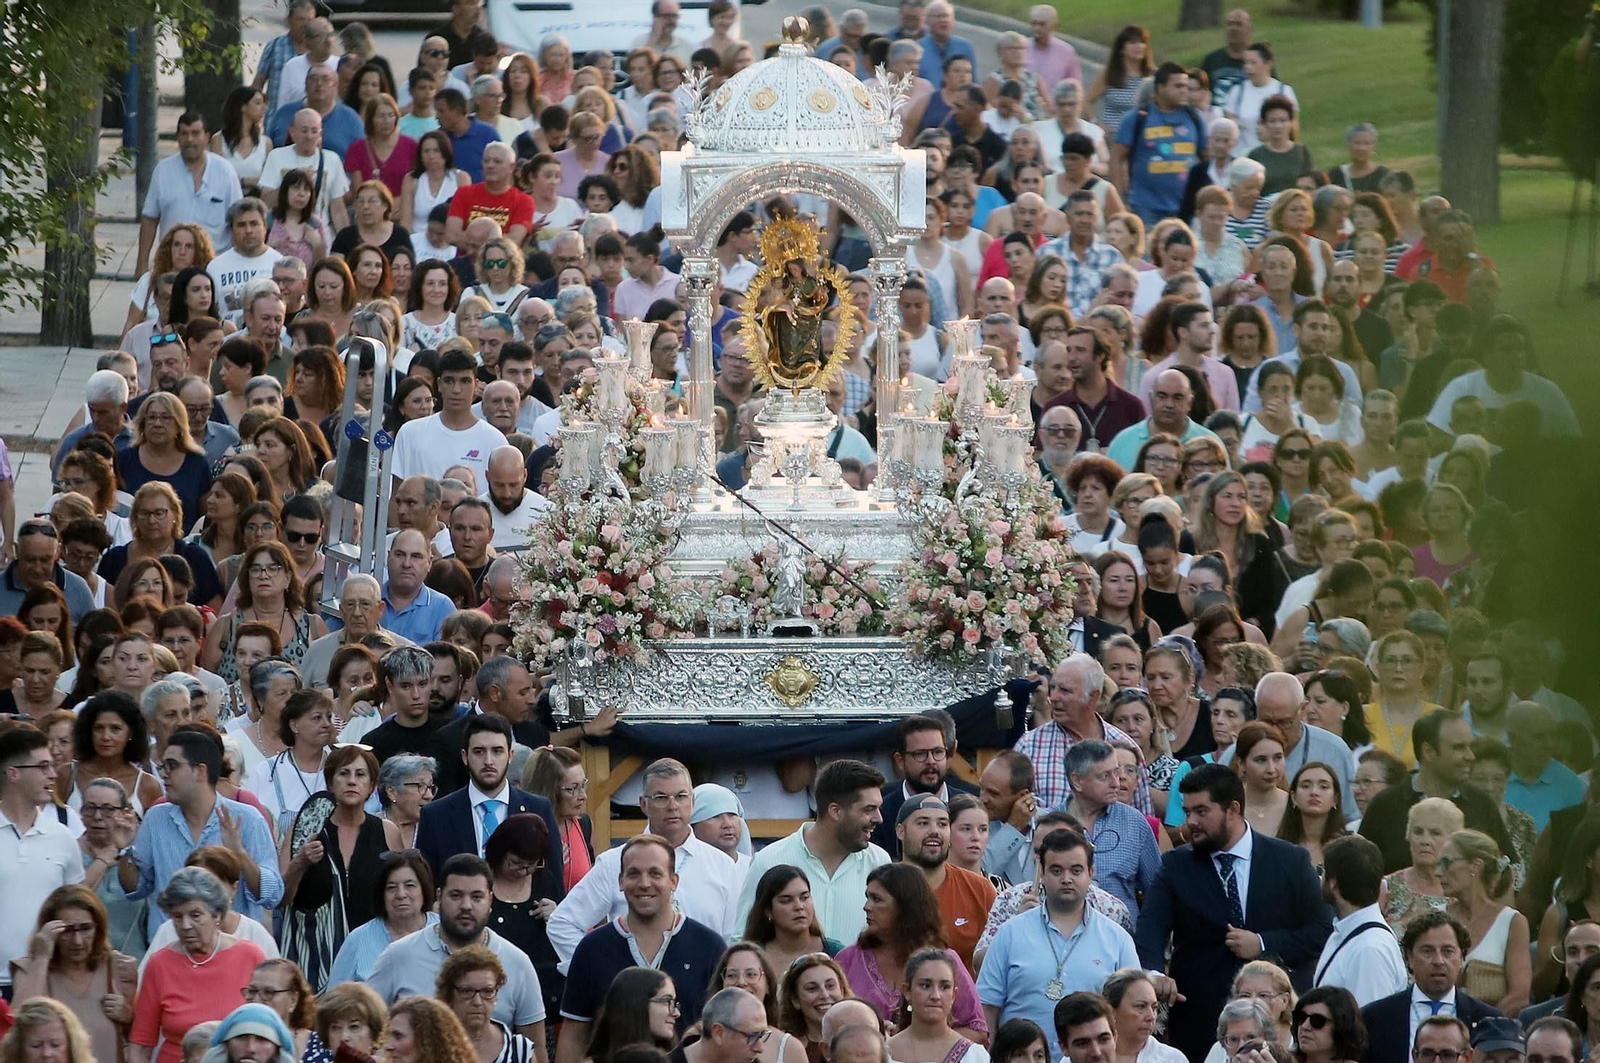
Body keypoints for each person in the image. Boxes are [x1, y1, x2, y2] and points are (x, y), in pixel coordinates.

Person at [1135, 762, 1333, 1060]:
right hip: (1201, 1019)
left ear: (1233, 809)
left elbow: (1321, 930)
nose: (1190, 822)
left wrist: (1263, 943)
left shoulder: (1289, 860)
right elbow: (1150, 927)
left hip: (1278, 1018)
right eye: (1187, 812)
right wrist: (1153, 975)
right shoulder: (1176, 865)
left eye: (1202, 811)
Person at [549, 757, 734, 964]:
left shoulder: (722, 866)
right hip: (632, 990)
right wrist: (605, 971)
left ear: (692, 802)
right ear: (644, 804)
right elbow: (562, 924)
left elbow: (733, 940)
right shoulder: (614, 862)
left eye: (681, 796)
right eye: (661, 797)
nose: (673, 806)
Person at [555, 835, 725, 1061]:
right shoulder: (593, 948)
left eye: (655, 874)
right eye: (634, 874)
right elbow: (574, 1035)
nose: (644, 883)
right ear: (620, 881)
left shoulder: (709, 946)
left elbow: (722, 1031)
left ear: (674, 881)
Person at [977, 826, 1138, 1058]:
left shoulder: (1117, 939)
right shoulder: (1010, 933)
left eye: (1076, 870)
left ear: (1090, 873)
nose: (1066, 879)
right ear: (1041, 872)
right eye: (1056, 870)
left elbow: (1129, 1013)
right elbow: (987, 1008)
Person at [117, 726, 284, 936]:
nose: (164, 775)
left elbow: (272, 895)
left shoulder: (247, 819)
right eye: (162, 766)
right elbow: (136, 889)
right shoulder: (155, 818)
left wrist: (239, 854)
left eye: (172, 766)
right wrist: (125, 851)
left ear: (200, 771)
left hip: (230, 951)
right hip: (170, 950)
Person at [367, 853, 547, 1043]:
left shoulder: (517, 964)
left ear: (490, 901)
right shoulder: (398, 956)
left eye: (477, 897)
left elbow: (534, 1050)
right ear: (439, 897)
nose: (466, 906)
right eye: (456, 895)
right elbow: (367, 1032)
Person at [735, 760, 890, 945]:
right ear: (835, 811)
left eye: (878, 808)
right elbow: (743, 941)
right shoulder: (768, 861)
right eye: (869, 809)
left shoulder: (880, 862)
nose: (879, 818)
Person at [128, 866, 269, 1063]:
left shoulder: (250, 956)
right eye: (177, 917)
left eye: (195, 915)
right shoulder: (159, 964)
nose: (185, 925)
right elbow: (141, 1045)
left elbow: (269, 1032)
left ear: (217, 915)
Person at [414, 714, 564, 898]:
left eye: (497, 751)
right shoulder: (436, 814)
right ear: (464, 756)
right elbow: (428, 883)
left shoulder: (538, 808)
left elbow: (553, 877)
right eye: (479, 751)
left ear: (510, 756)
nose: (488, 761)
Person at [834, 863, 987, 1039]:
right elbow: (829, 1023)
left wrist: (917, 1041)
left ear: (905, 907)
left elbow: (978, 1031)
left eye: (877, 899)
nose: (866, 906)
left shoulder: (945, 963)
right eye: (867, 897)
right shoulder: (848, 959)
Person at [1359, 709, 1514, 872]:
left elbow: (1510, 869)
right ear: (1429, 752)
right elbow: (1360, 873)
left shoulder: (1482, 805)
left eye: (1470, 747)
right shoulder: (1385, 805)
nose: (1470, 756)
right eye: (1459, 748)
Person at [9, 883, 137, 1063]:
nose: (77, 941)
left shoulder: (118, 967)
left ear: (98, 927)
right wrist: (41, 957)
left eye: (85, 928)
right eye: (67, 931)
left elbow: (142, 1040)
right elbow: (14, 1024)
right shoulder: (32, 969)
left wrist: (128, 1016)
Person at [1358, 912, 1502, 1063]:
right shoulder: (1374, 1019)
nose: (1438, 961)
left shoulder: (1488, 1020)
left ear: (1462, 958)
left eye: (1448, 951)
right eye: (1427, 951)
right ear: (1409, 958)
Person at [1440, 829, 1530, 1015]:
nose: (1437, 872)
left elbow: (1519, 996)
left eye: (1446, 862)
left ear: (1475, 866)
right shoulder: (1437, 918)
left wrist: (1480, 1028)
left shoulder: (1512, 922)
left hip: (1490, 1034)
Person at [139, 112, 244, 270]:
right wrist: (142, 263)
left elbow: (238, 219)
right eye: (184, 134)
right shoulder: (163, 171)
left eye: (195, 134)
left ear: (207, 137)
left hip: (215, 263)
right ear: (178, 137)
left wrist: (239, 263)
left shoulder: (225, 171)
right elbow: (150, 219)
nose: (189, 140)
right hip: (172, 264)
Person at [1313, 835, 1407, 1005]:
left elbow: (1370, 1023)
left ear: (1333, 883)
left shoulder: (1370, 949)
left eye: (1323, 870)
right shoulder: (1344, 932)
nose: (1320, 877)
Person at [324, 848, 438, 987]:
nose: (401, 894)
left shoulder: (443, 930)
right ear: (381, 894)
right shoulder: (358, 940)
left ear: (424, 889)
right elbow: (334, 1000)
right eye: (391, 887)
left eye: (410, 885)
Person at [1111, 64, 1204, 227]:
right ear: (1160, 88)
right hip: (1145, 207)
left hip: (1185, 208)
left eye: (1186, 87)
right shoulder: (1137, 118)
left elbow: (1207, 160)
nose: (1184, 91)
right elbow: (1116, 159)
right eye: (1178, 86)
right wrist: (1120, 200)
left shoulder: (1195, 118)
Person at [436, 944, 544, 1063]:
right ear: (449, 995)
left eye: (487, 991)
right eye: (466, 991)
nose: (477, 1002)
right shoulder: (429, 1047)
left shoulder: (520, 1051)